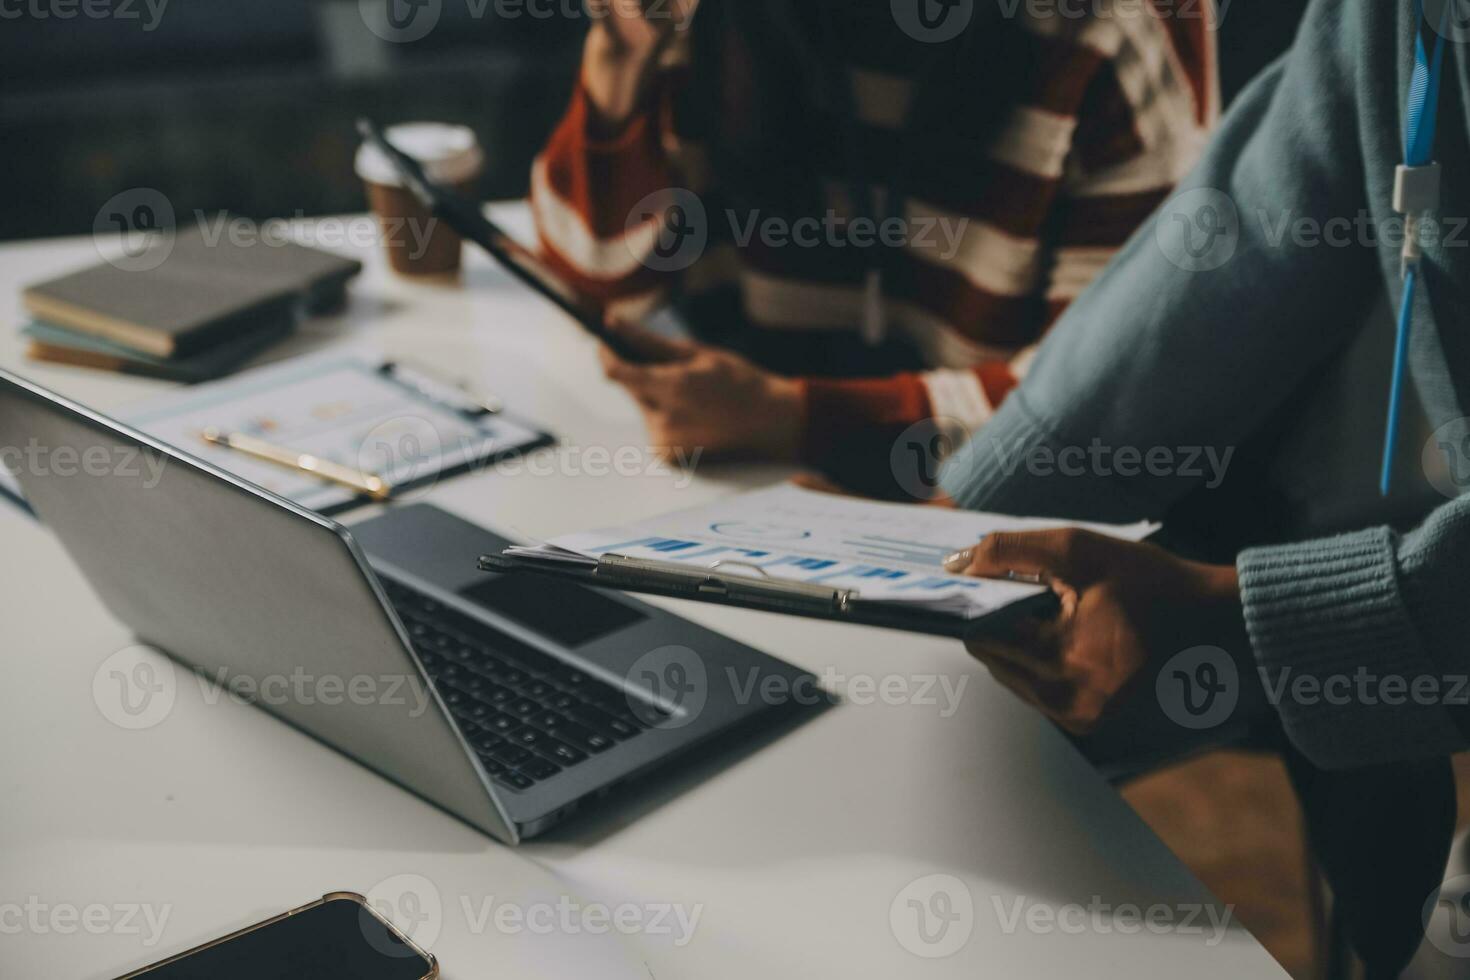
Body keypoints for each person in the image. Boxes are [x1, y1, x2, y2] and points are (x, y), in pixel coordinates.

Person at [530, 0, 1217, 493]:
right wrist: (622, 52)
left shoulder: (1117, 28)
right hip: (741, 503)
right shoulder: (705, 17)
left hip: (986, 532)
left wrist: (793, 417)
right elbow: (600, 283)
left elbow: (1104, 413)